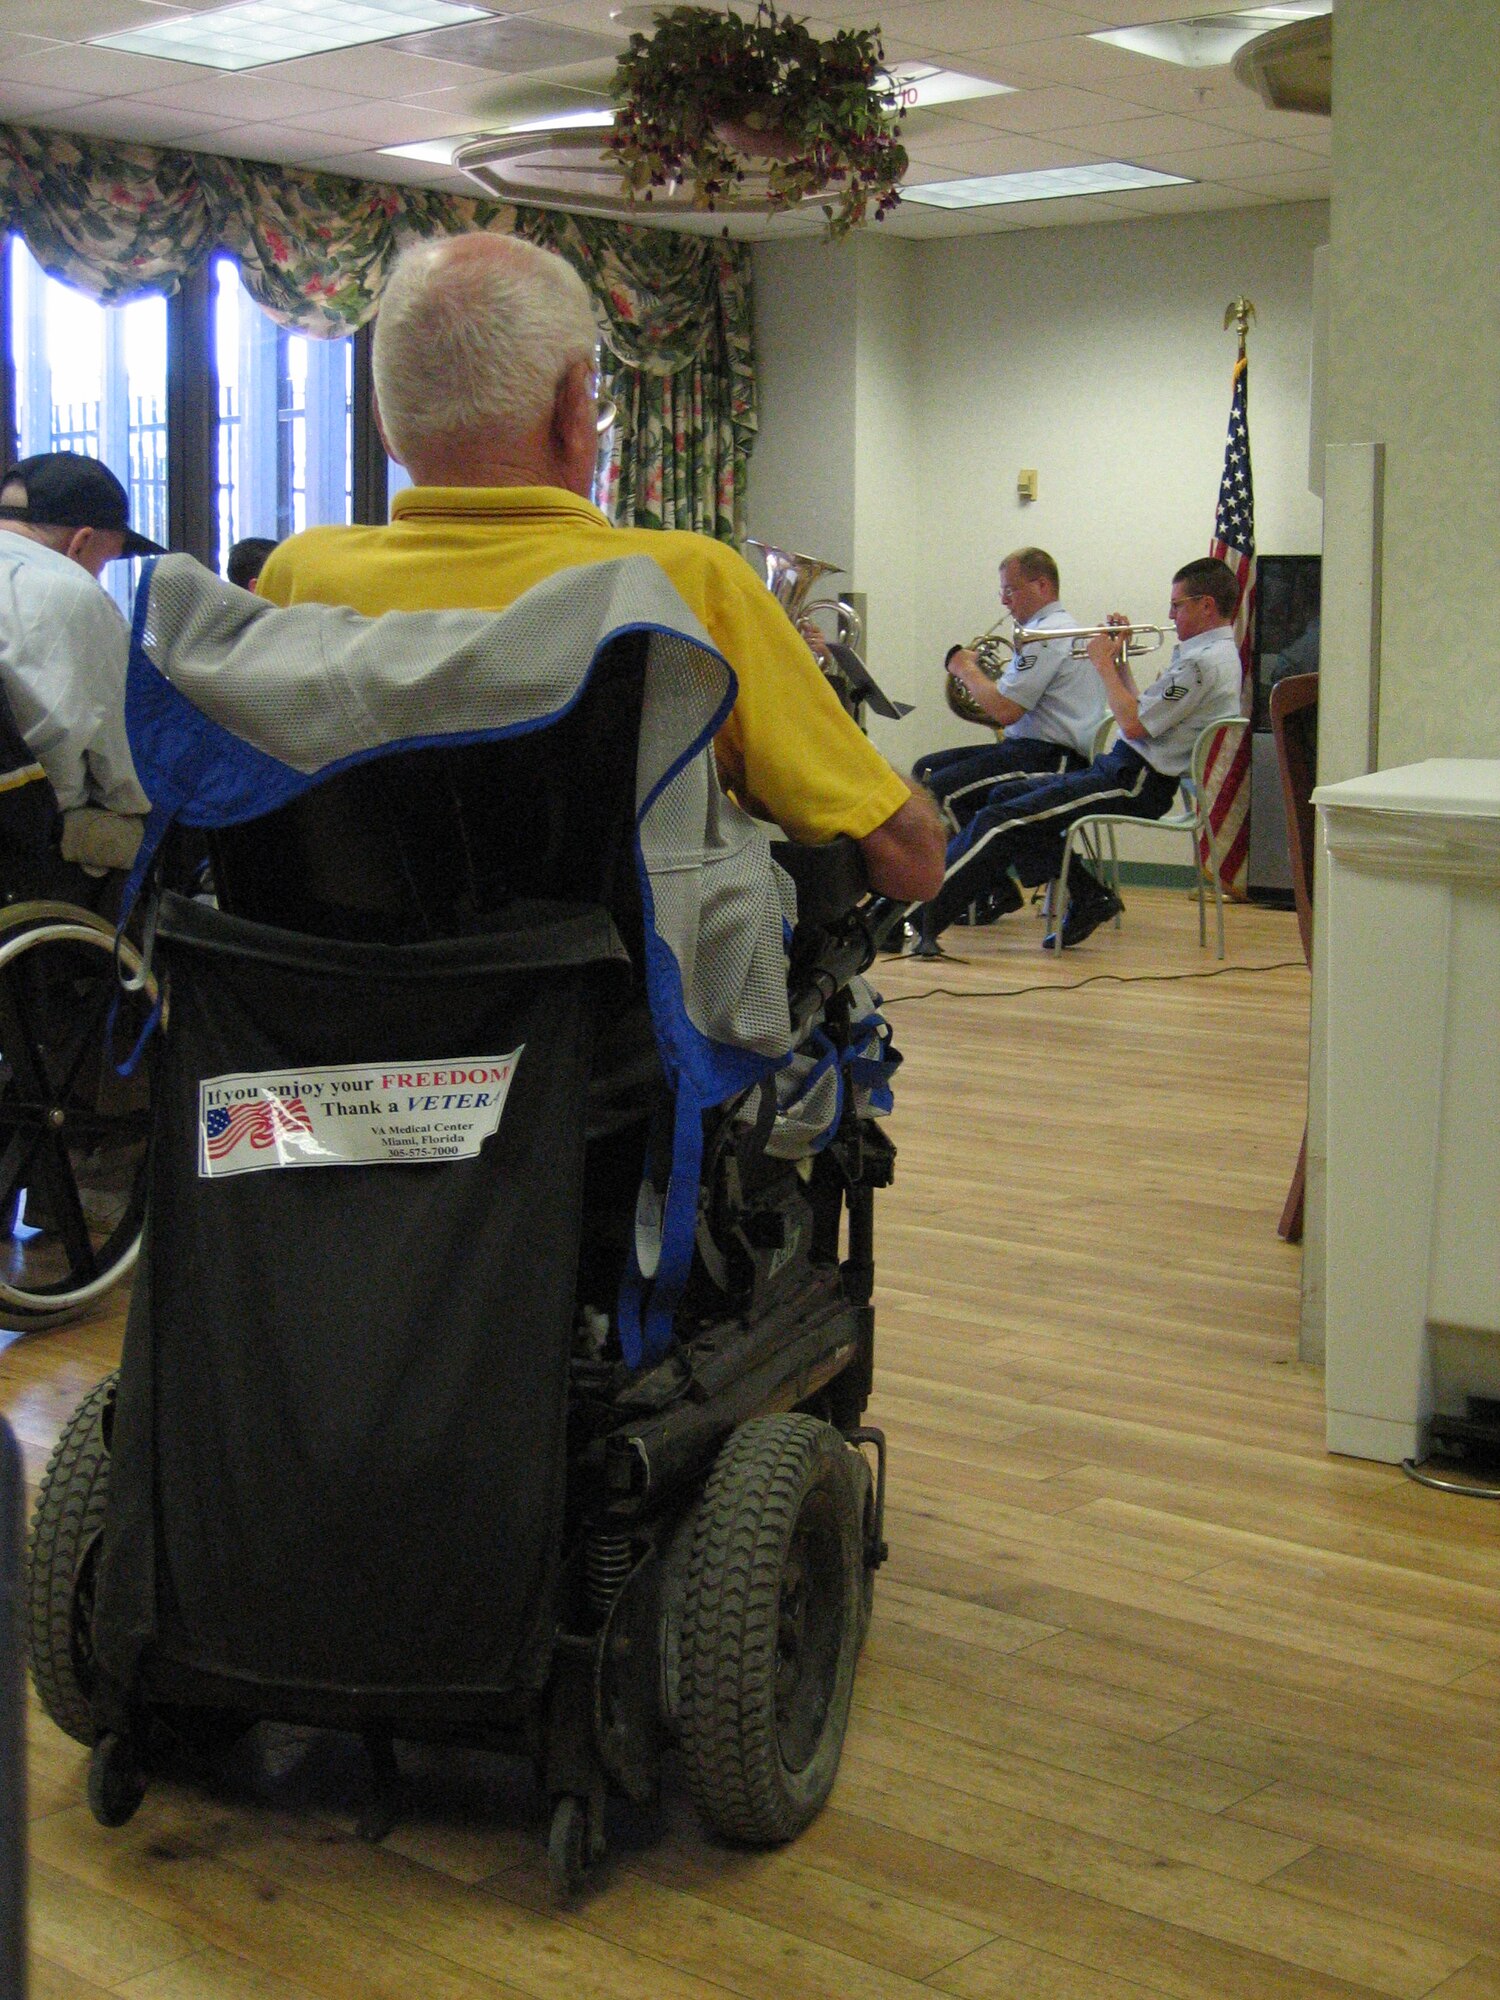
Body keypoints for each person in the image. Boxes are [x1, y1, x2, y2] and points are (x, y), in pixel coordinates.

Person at [258, 233, 943, 903]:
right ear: (574, 405)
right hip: (621, 1006)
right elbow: (910, 862)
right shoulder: (683, 583)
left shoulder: (301, 577)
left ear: (384, 421)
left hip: (339, 1003)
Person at [906, 556, 1246, 953]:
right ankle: (1089, 896)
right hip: (1125, 768)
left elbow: (1134, 724)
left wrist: (1102, 664)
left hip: (1137, 781)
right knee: (1004, 801)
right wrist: (1118, 663)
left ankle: (920, 918)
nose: (1170, 614)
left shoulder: (1202, 663)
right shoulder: (1203, 657)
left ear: (1206, 605)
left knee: (1003, 818)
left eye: (1177, 605)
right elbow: (1142, 711)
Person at [0, 452, 158, 878]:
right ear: (80, 542)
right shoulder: (73, 594)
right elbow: (123, 778)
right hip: (27, 853)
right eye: (104, 562)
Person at [914, 547, 1106, 826]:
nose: (1004, 600)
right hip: (1028, 749)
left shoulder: (1048, 635)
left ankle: (971, 866)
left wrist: (965, 668)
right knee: (925, 770)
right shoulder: (1048, 630)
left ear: (1041, 585)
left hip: (1049, 757)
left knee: (944, 791)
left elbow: (1005, 710)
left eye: (1010, 590)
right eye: (1002, 592)